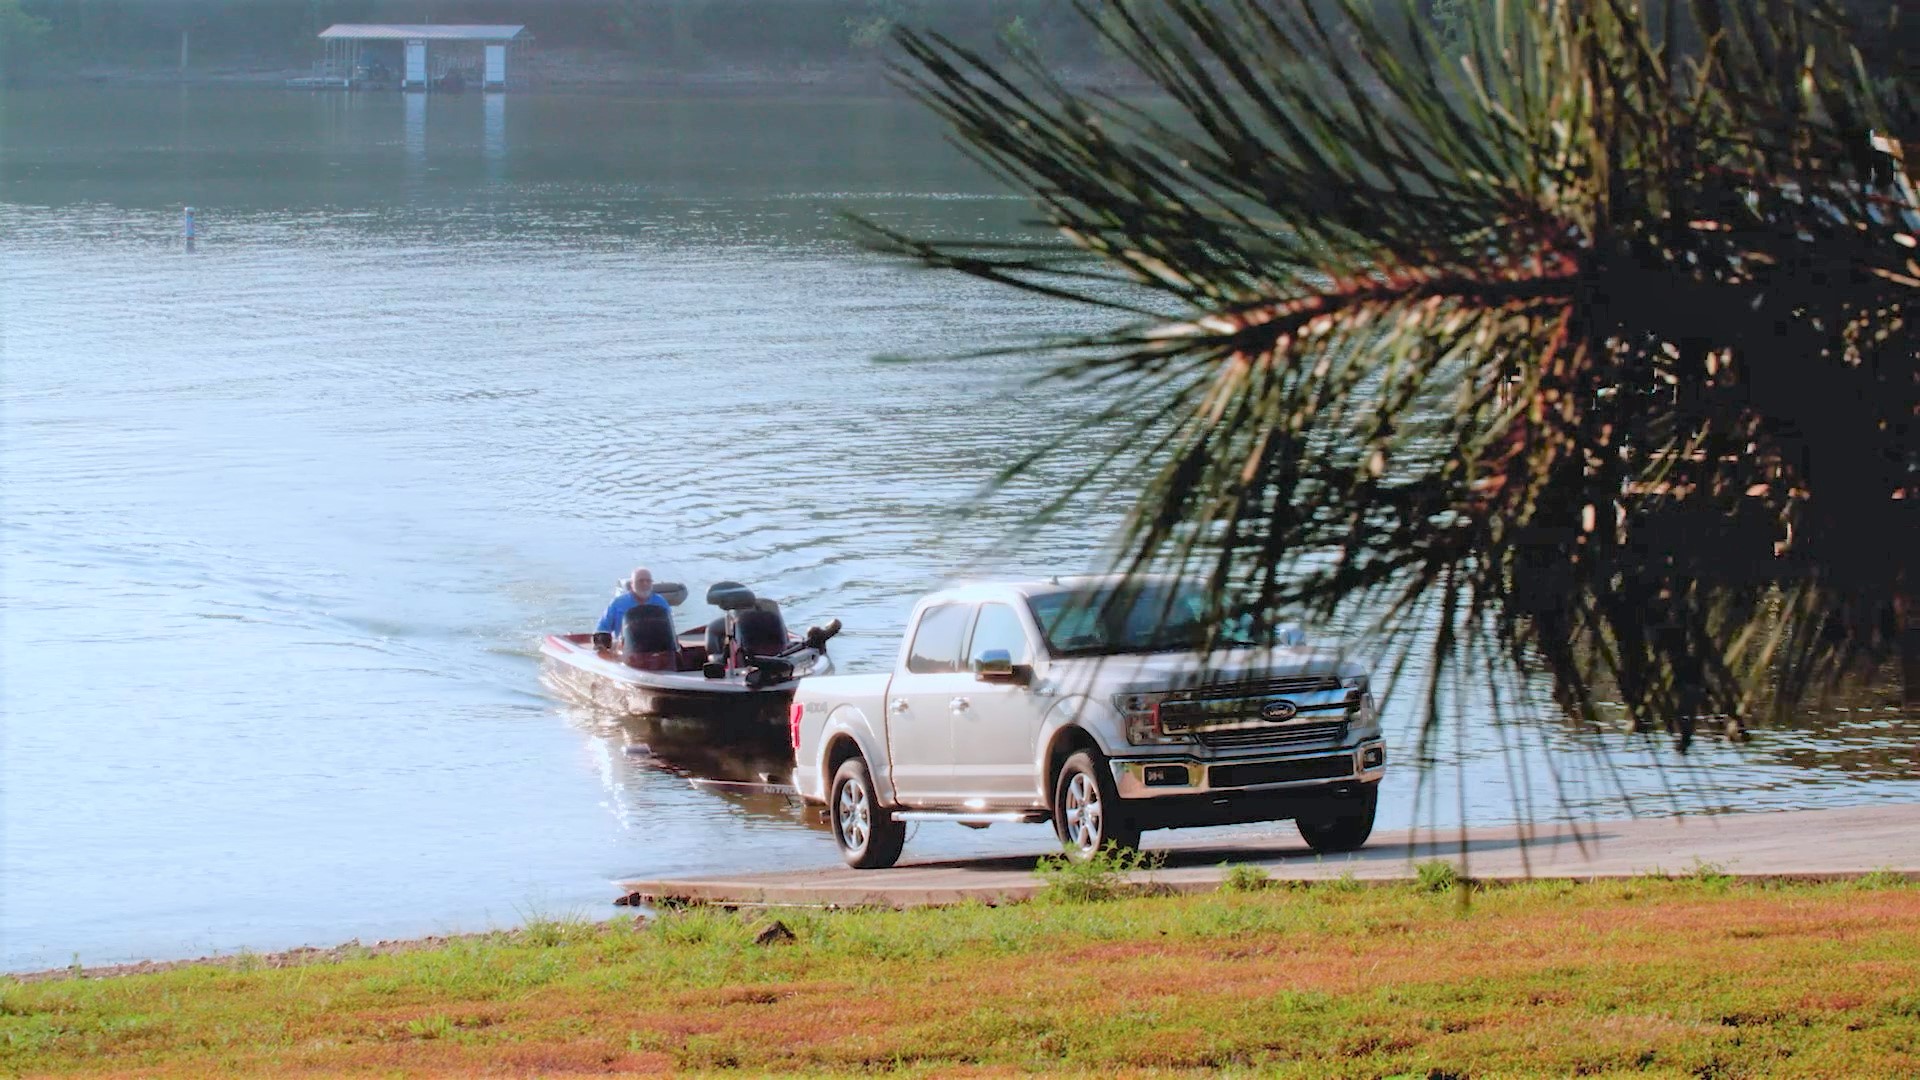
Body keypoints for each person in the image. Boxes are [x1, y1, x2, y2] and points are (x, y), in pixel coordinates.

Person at [597, 567, 670, 637]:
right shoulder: (618, 603)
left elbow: (670, 629)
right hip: (626, 644)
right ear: (632, 584)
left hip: (656, 644)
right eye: (641, 581)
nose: (645, 584)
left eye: (648, 581)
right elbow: (602, 629)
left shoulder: (661, 602)